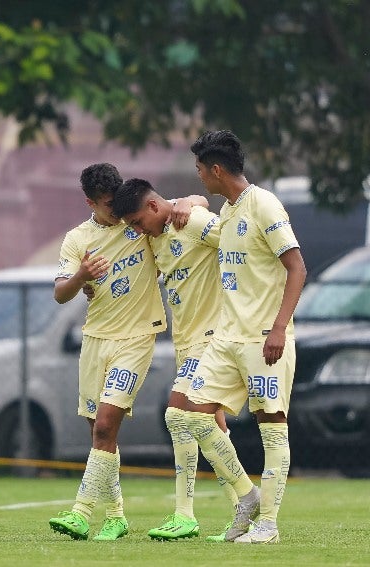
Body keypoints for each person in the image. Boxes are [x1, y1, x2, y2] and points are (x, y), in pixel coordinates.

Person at [47, 163, 205, 541]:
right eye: (106, 204)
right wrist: (82, 277)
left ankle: (81, 512)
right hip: (95, 339)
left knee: (105, 425)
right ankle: (116, 516)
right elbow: (59, 293)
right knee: (99, 434)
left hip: (136, 340)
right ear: (89, 202)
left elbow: (168, 208)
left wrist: (192, 198)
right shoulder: (77, 239)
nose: (116, 211)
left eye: (117, 201)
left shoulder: (137, 225)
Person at [182, 130, 307, 544]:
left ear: (216, 170)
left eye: (200, 170)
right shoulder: (231, 211)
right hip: (227, 338)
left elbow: (297, 268)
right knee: (192, 415)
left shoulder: (264, 204)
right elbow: (192, 214)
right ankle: (247, 495)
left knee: (271, 426)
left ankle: (268, 525)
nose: (199, 177)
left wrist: (278, 328)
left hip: (262, 339)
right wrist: (183, 205)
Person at [111, 178, 239, 541]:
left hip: (214, 339)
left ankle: (187, 513)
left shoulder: (194, 221)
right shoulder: (155, 236)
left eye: (137, 221)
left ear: (152, 207)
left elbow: (240, 244)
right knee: (211, 427)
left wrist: (195, 203)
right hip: (187, 344)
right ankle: (242, 510)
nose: (137, 230)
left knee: (176, 414)